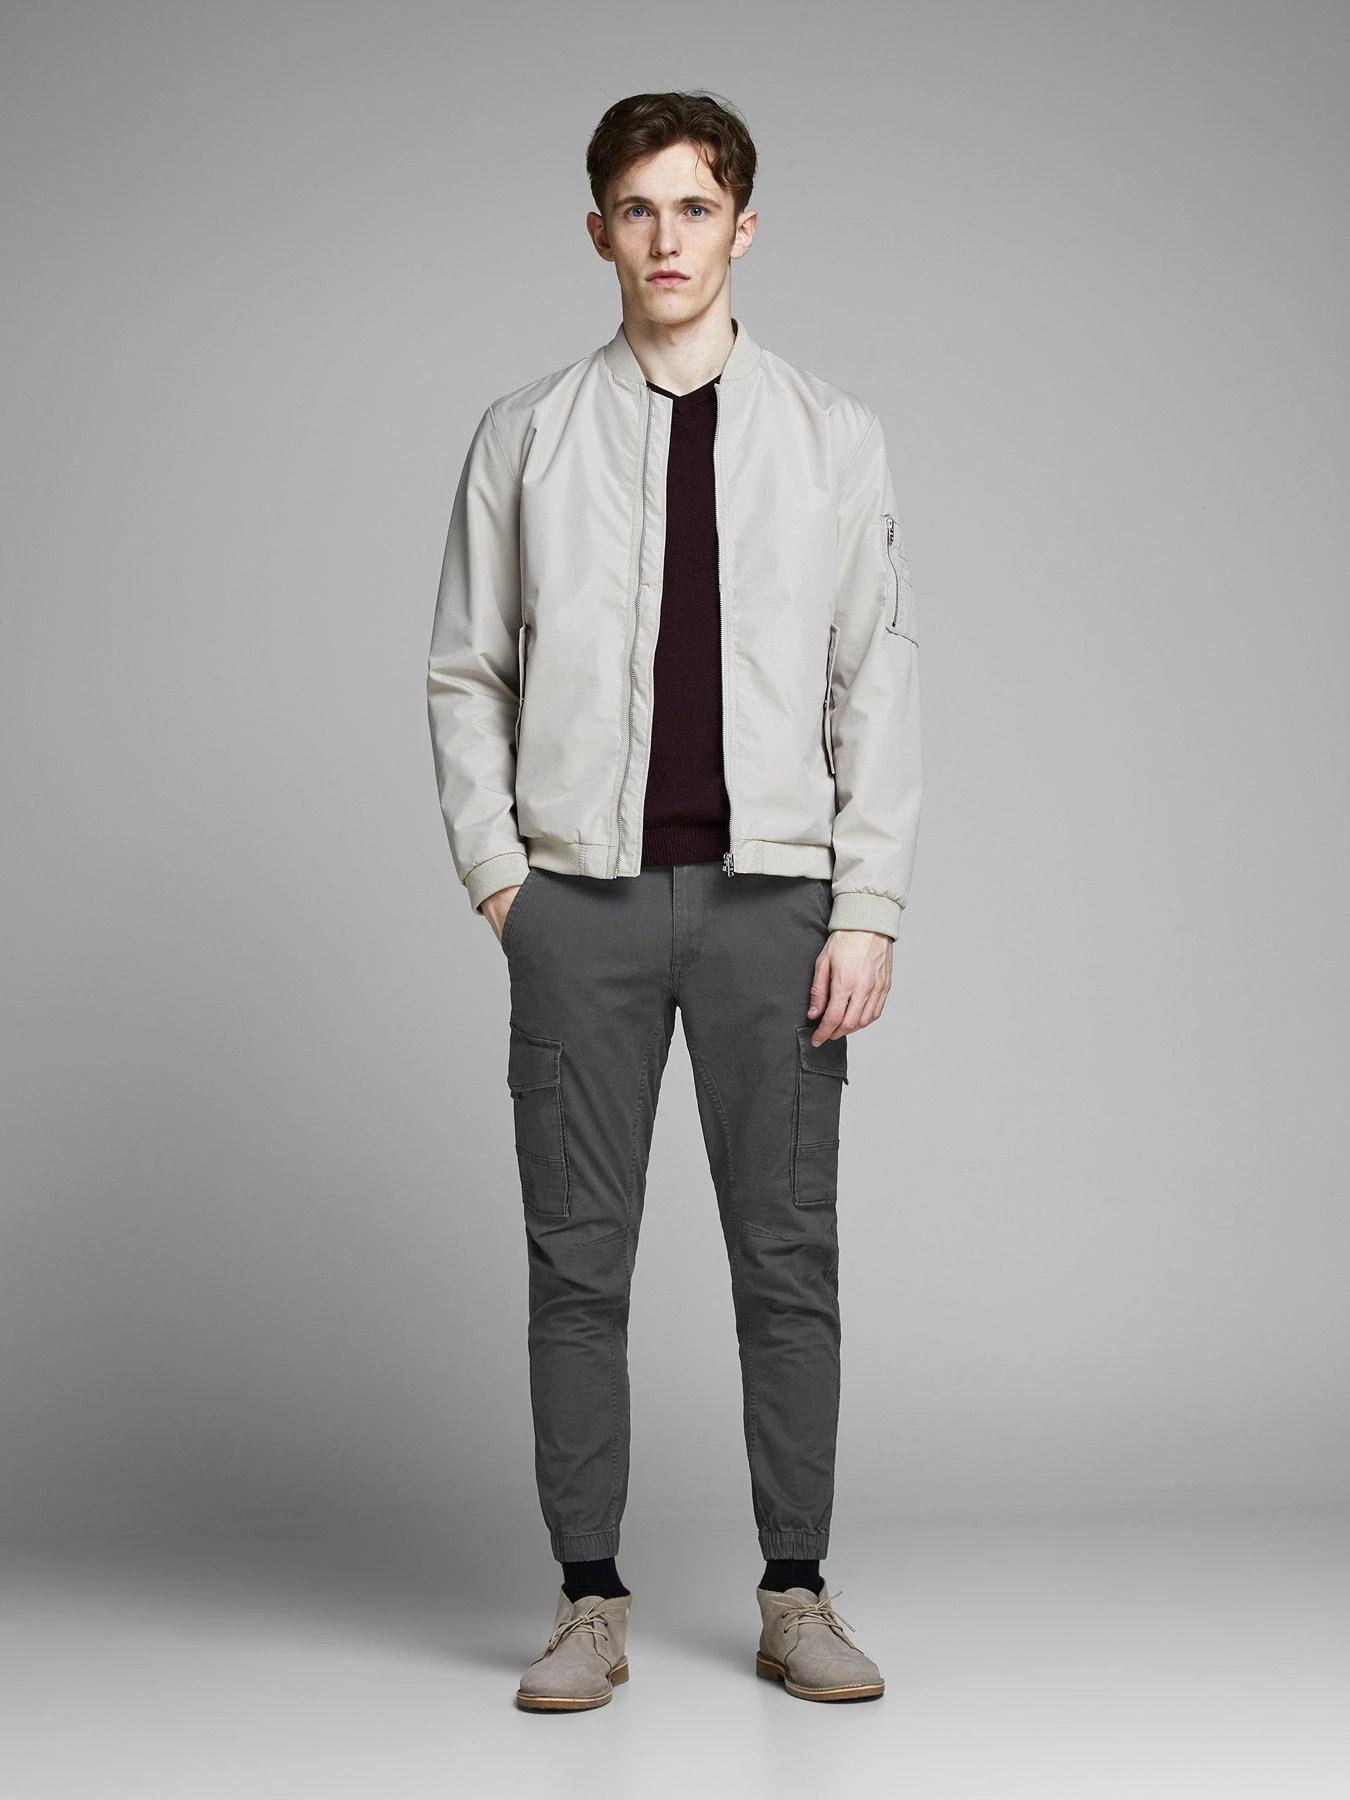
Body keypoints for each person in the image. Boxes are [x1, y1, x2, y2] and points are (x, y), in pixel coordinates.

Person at [426, 89, 921, 1711]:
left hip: (776, 905)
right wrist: (502, 879)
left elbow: (875, 675)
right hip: (579, 903)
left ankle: (795, 1594)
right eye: (636, 209)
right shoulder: (525, 436)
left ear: (741, 229)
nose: (665, 238)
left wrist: (867, 904)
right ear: (597, 232)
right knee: (576, 1266)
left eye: (693, 207)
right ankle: (586, 1604)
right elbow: (465, 671)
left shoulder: (832, 435)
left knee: (786, 1258)